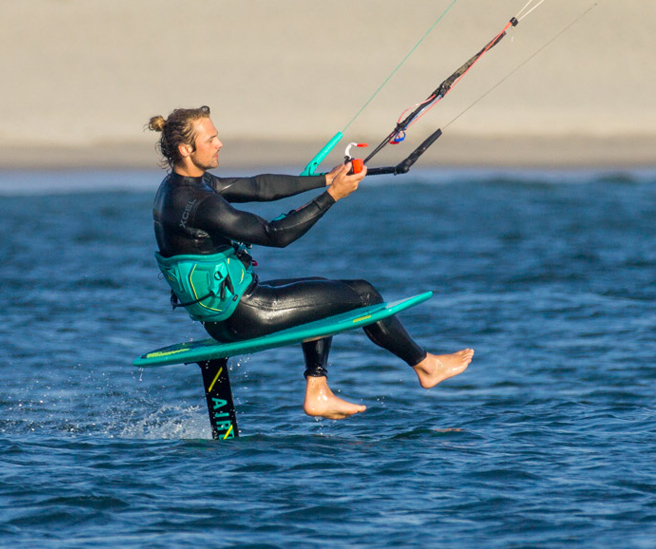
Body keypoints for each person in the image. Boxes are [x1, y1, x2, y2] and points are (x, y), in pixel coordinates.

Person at [149, 106, 473, 419]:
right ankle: (426, 366)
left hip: (221, 317)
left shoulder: (178, 188)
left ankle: (318, 391)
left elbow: (259, 187)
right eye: (210, 140)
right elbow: (275, 235)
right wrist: (332, 196)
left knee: (323, 291)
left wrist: (325, 179)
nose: (219, 143)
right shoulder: (201, 202)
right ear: (185, 149)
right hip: (246, 314)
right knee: (363, 294)